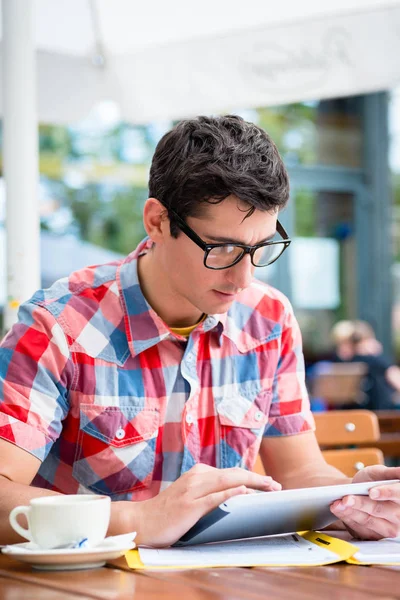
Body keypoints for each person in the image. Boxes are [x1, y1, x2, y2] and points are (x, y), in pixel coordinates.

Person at [0, 115, 399, 547]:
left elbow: (300, 471)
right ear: (157, 222)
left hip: (228, 580)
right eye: (223, 248)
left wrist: (355, 498)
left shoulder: (269, 319)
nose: (244, 278)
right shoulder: (58, 326)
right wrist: (138, 519)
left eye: (261, 247)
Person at [331, 320, 400, 410]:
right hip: (380, 414)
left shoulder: (344, 364)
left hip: (352, 415)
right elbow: (397, 380)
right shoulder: (378, 361)